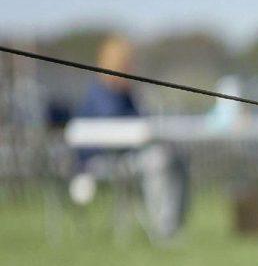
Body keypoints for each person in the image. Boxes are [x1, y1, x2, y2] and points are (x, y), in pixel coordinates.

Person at [72, 36, 189, 240]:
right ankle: (163, 229)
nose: (132, 67)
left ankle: (175, 225)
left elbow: (141, 121)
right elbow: (116, 126)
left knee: (177, 157)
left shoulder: (126, 93)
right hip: (102, 160)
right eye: (128, 62)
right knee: (158, 160)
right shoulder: (101, 92)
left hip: (128, 154)